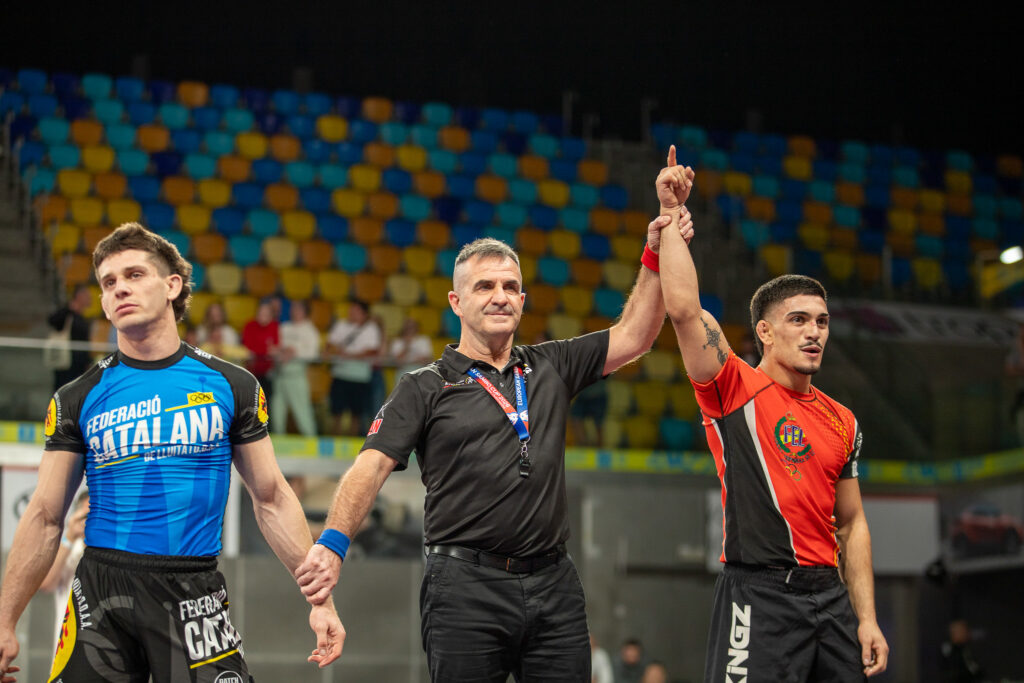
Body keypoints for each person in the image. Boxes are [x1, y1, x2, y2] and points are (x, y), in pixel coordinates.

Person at [294, 222, 692, 681]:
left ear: (523, 300)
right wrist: (333, 543)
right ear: (456, 302)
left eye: (511, 286)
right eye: (484, 286)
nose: (500, 295)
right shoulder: (425, 386)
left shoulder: (552, 365)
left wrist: (655, 251)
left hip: (553, 583)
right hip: (465, 588)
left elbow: (636, 336)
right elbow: (370, 466)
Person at [0, 223, 343, 683]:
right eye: (108, 282)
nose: (120, 287)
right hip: (100, 594)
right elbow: (44, 515)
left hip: (193, 591)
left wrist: (320, 601)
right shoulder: (76, 397)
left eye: (135, 274)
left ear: (172, 286)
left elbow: (272, 499)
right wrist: (4, 622)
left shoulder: (232, 385)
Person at [655, 146, 889, 680]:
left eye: (823, 322)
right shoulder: (733, 386)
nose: (814, 332)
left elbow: (851, 524)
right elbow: (685, 311)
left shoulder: (843, 420)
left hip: (829, 599)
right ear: (765, 331)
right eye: (800, 320)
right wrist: (669, 216)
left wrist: (867, 618)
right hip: (757, 595)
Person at [38, 490, 89, 653]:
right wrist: (70, 535)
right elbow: (46, 584)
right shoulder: (68, 549)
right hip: (68, 649)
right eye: (86, 515)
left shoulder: (117, 549)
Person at [326, 299, 382, 435]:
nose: (351, 313)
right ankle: (335, 440)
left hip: (360, 377)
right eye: (351, 309)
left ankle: (352, 442)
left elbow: (373, 350)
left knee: (357, 413)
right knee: (336, 412)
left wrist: (349, 355)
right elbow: (329, 344)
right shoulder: (341, 325)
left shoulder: (371, 329)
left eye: (355, 310)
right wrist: (339, 352)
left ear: (364, 314)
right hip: (340, 374)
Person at [272, 299, 320, 437]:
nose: (294, 311)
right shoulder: (284, 327)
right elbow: (275, 346)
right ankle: (278, 444)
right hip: (280, 374)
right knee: (277, 413)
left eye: (297, 308)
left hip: (296, 376)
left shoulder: (310, 330)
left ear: (304, 311)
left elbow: (313, 354)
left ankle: (311, 441)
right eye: (293, 308)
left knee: (302, 413)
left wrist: (294, 351)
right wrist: (280, 351)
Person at [47, 284, 94, 392]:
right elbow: (52, 321)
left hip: (79, 365)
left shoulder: (82, 318)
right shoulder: (68, 314)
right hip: (65, 363)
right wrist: (69, 308)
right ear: (79, 296)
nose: (89, 299)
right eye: (86, 295)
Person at [241, 298, 280, 407]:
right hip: (250, 373)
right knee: (250, 406)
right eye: (261, 312)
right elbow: (248, 348)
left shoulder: (275, 326)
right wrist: (266, 350)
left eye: (266, 313)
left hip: (268, 375)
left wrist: (262, 350)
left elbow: (275, 348)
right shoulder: (249, 326)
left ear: (271, 315)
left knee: (267, 406)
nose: (263, 315)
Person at [940, 618, 985, 683]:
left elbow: (973, 667)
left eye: (965, 631)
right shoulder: (948, 649)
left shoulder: (965, 650)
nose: (965, 633)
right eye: (962, 631)